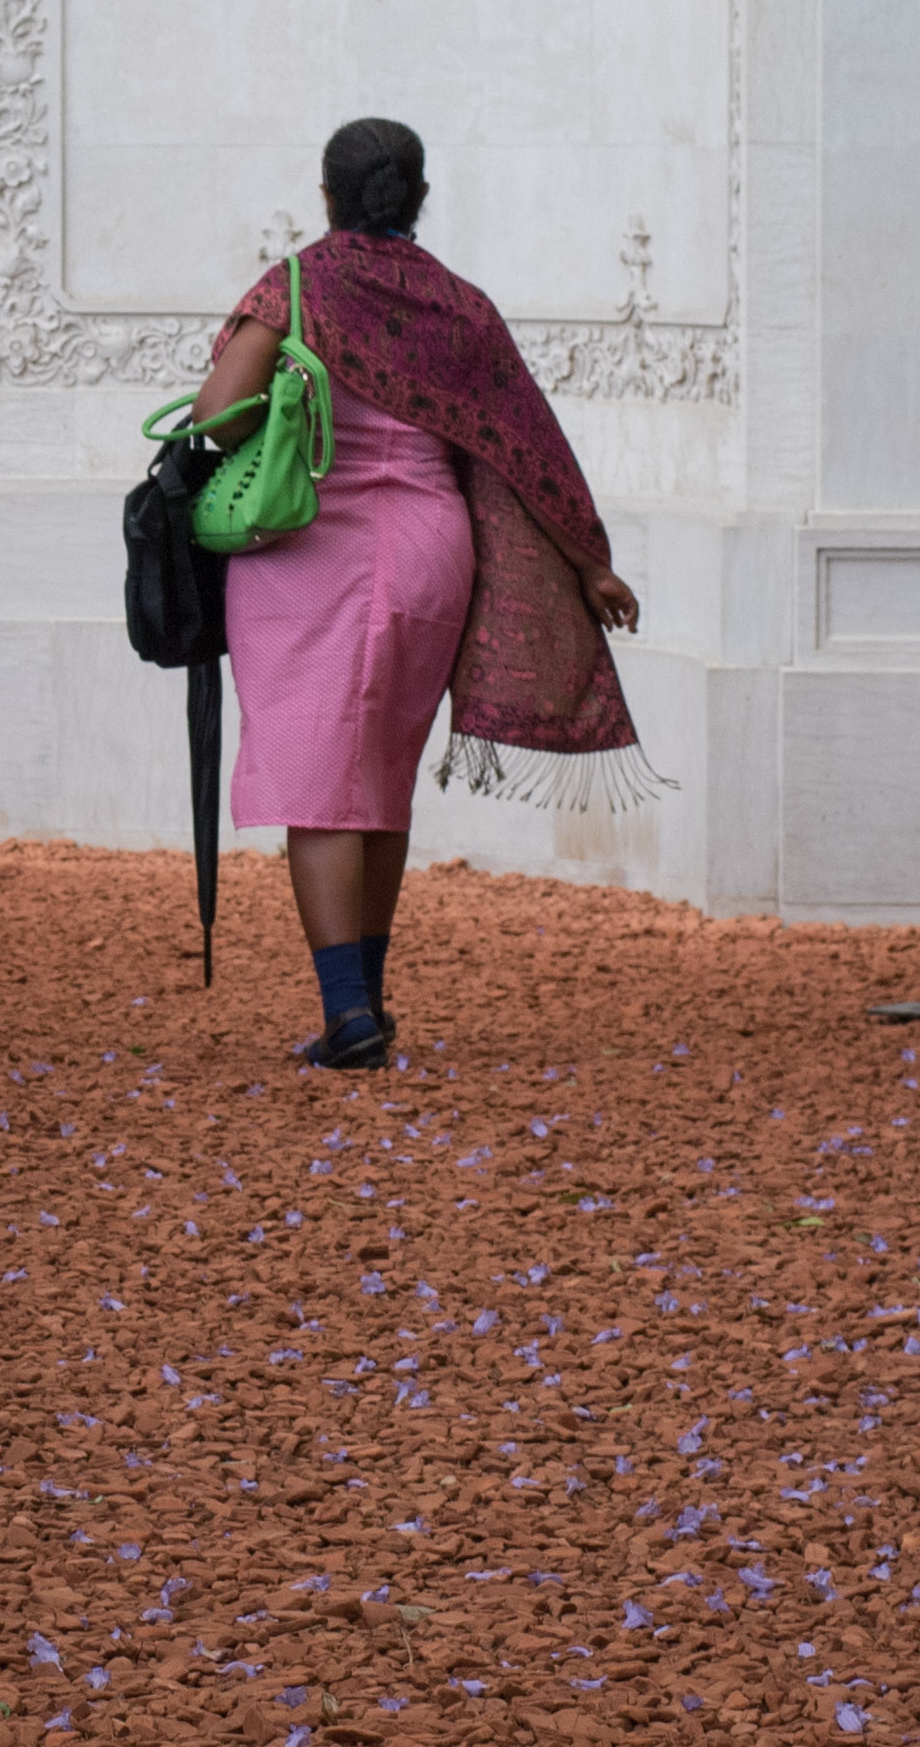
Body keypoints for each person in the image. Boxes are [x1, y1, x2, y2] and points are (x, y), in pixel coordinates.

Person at [187, 114, 647, 1068]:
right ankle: (369, 1001)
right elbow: (529, 443)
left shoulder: (296, 286)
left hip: (306, 548)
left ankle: (347, 1015)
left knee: (318, 778)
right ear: (421, 196)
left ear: (326, 196)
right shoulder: (462, 306)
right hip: (432, 553)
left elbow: (217, 418)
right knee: (380, 776)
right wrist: (590, 561)